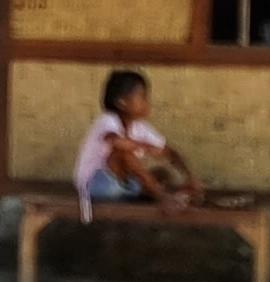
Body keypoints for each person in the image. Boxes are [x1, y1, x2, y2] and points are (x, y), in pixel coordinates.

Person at [73, 68, 202, 206]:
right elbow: (115, 141)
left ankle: (179, 194)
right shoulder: (108, 120)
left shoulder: (140, 126)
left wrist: (189, 177)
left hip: (121, 187)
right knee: (124, 153)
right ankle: (162, 196)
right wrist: (146, 147)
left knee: (161, 174)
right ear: (122, 102)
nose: (147, 103)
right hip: (95, 186)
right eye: (142, 97)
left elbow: (170, 152)